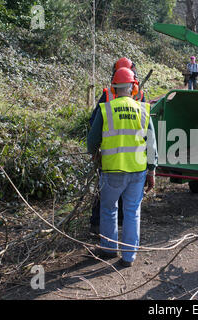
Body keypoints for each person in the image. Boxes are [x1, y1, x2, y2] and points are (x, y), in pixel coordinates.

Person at [87, 67, 158, 267]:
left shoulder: (106, 109)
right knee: (132, 211)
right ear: (133, 87)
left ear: (114, 88)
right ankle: (128, 256)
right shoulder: (143, 109)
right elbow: (152, 145)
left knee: (109, 209)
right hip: (137, 171)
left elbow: (92, 141)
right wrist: (151, 171)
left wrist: (95, 154)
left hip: (112, 171)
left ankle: (109, 249)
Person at [89, 57, 145, 235]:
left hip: (111, 158)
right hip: (134, 160)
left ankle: (101, 231)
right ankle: (127, 247)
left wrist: (95, 150)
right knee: (130, 208)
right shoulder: (141, 97)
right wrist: (151, 168)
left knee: (106, 201)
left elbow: (93, 122)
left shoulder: (107, 94)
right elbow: (148, 133)